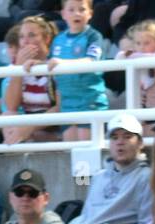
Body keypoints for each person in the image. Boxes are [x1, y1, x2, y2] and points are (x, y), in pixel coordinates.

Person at [66, 113, 154, 224]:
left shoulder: (145, 177)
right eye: (114, 137)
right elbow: (86, 217)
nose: (120, 142)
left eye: (127, 136)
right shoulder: (98, 176)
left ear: (140, 143)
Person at [50, 0, 110, 140]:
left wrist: (62, 63)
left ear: (90, 14)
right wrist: (35, 63)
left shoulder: (93, 36)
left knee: (87, 148)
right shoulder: (58, 39)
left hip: (89, 101)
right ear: (63, 14)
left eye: (82, 9)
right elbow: (50, 62)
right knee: (70, 147)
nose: (77, 13)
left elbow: (92, 60)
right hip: (67, 103)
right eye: (71, 10)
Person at [0, 16, 59, 145]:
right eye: (21, 36)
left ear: (46, 39)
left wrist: (29, 127)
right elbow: (11, 106)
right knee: (8, 116)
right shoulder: (21, 66)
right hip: (30, 130)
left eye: (31, 35)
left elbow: (59, 107)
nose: (25, 41)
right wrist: (18, 68)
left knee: (23, 137)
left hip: (55, 128)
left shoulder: (56, 63)